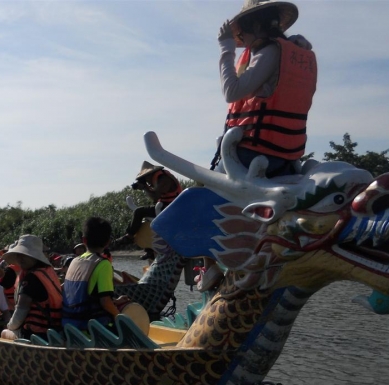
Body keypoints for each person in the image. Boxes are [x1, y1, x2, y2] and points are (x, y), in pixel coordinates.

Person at [198, 0, 316, 291]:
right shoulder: (295, 52)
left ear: (255, 26)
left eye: (244, 36)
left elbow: (232, 91)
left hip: (254, 155)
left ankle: (210, 268)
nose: (244, 43)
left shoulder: (269, 52)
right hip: (287, 156)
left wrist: (225, 49)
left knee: (201, 200)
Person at [62, 217, 129, 331]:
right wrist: (119, 315)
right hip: (90, 328)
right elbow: (105, 302)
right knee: (126, 323)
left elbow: (84, 296)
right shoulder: (103, 264)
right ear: (107, 242)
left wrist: (116, 301)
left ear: (84, 240)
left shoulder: (74, 261)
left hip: (68, 324)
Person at [0, 235, 63, 341]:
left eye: (24, 255)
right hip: (55, 330)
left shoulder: (31, 278)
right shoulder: (48, 271)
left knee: (4, 333)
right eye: (18, 255)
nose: (20, 259)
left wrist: (9, 326)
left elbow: (21, 310)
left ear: (35, 256)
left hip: (36, 335)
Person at [118, 161, 182, 248]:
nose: (147, 181)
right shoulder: (157, 180)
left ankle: (129, 236)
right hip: (164, 206)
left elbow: (156, 197)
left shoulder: (164, 180)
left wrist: (145, 187)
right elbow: (156, 199)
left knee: (139, 211)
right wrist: (146, 187)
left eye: (145, 178)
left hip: (172, 208)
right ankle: (149, 250)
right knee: (143, 220)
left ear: (149, 175)